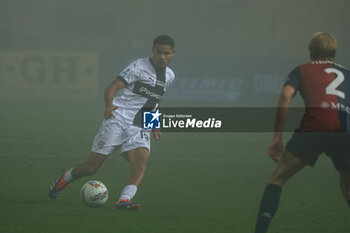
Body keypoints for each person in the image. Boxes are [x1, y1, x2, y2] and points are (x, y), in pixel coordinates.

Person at [49, 35, 176, 210]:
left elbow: (155, 100)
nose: (162, 56)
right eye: (159, 52)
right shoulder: (138, 67)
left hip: (139, 125)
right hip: (118, 119)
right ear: (153, 50)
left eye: (166, 53)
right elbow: (112, 87)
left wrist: (154, 123)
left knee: (139, 165)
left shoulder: (169, 75)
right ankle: (64, 178)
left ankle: (123, 201)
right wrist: (109, 106)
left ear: (172, 53)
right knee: (91, 167)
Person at [254, 32, 350, 232]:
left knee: (277, 178)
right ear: (334, 52)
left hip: (313, 128)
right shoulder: (348, 74)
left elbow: (285, 96)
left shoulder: (301, 70)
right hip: (344, 132)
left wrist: (277, 137)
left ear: (310, 52)